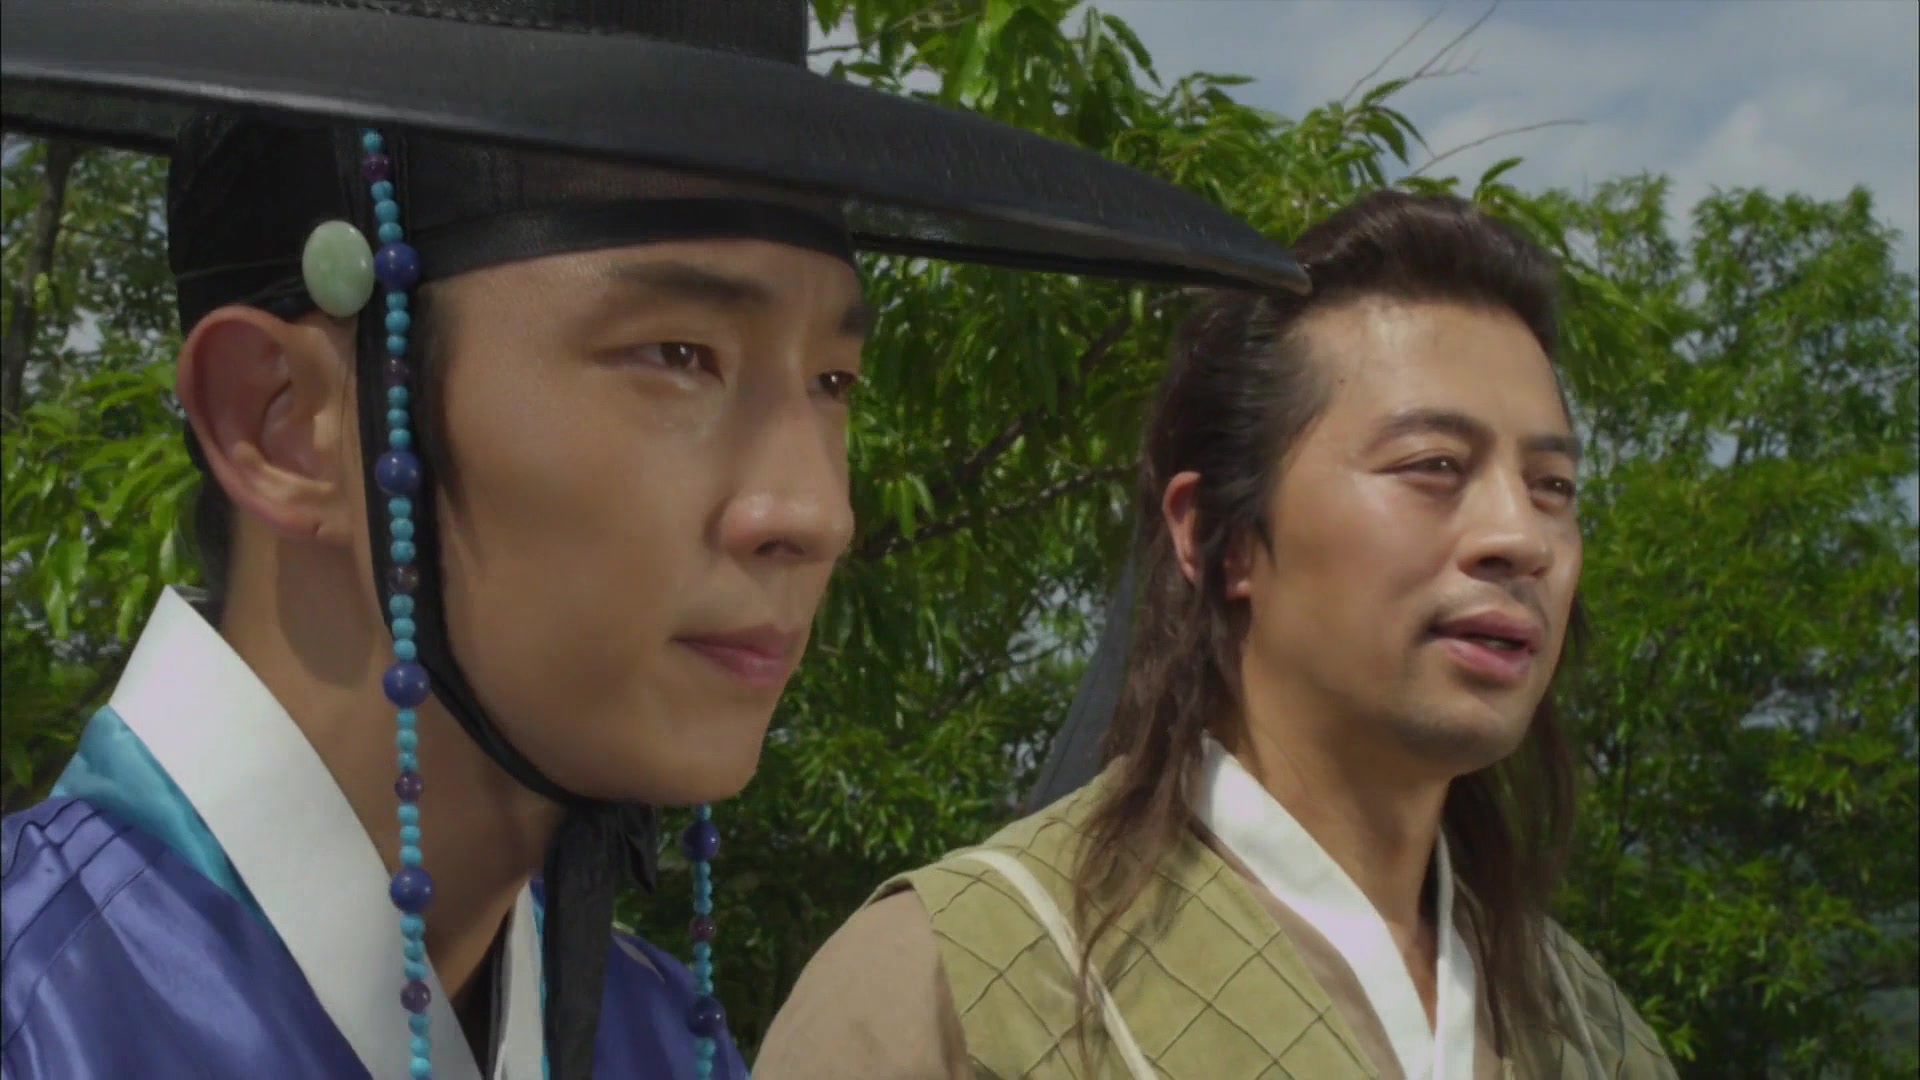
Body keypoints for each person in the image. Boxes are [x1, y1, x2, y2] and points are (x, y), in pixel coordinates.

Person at [0, 2, 1311, 1078]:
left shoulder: (652, 1035)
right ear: (283, 424)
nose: (816, 512)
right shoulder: (40, 1016)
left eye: (833, 383)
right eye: (678, 355)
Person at [756, 191, 1680, 1079]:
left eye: (1553, 487)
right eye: (1433, 465)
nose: (1520, 537)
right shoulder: (954, 984)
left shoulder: (1594, 1033)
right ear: (1215, 536)